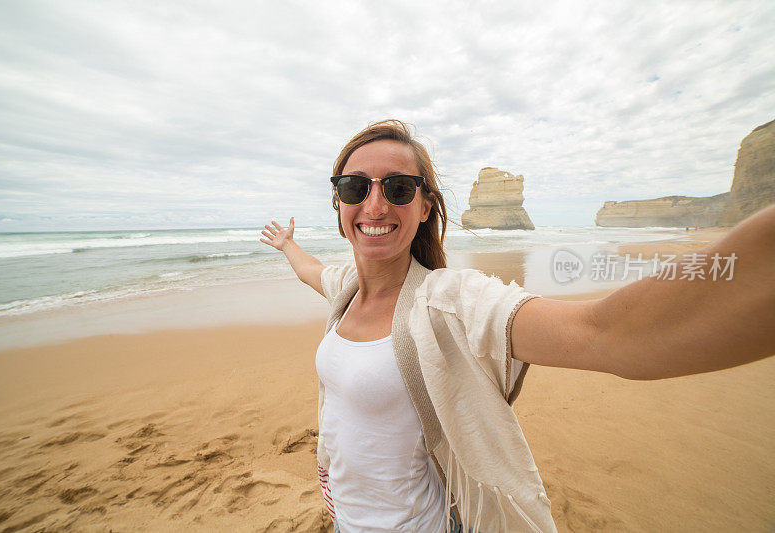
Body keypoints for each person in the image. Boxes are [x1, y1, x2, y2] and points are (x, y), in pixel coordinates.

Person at [260, 120, 775, 532]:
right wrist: (286, 245)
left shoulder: (452, 302)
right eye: (354, 187)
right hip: (345, 515)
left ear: (424, 206)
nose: (374, 204)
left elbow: (609, 334)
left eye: (397, 187)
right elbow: (312, 272)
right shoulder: (347, 287)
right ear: (339, 203)